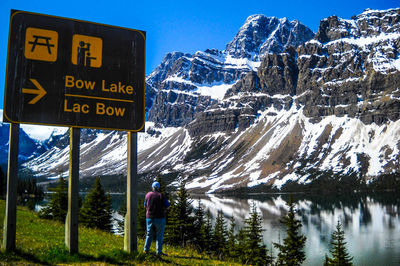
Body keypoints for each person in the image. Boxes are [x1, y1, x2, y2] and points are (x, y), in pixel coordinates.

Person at [143, 181, 170, 255]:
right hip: (160, 218)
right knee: (159, 235)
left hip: (149, 217)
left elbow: (145, 205)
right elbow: (168, 205)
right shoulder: (161, 195)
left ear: (152, 187)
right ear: (158, 188)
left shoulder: (148, 195)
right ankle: (159, 252)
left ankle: (146, 250)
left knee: (149, 234)